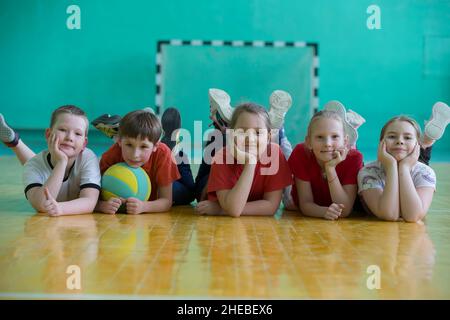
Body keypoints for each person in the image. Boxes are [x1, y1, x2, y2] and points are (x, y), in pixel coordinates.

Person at [0, 105, 101, 216]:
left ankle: (15, 142)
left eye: (78, 133)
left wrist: (61, 209)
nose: (70, 138)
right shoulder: (32, 165)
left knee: (37, 165)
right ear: (48, 134)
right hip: (38, 164)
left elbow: (89, 201)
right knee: (35, 164)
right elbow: (42, 205)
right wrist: (62, 162)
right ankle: (15, 142)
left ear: (84, 144)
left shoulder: (88, 157)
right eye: (62, 130)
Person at [357, 101, 449, 222]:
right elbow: (390, 214)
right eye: (392, 136)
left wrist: (404, 168)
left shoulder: (426, 172)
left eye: (407, 137)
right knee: (354, 160)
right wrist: (391, 166)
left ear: (417, 144)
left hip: (415, 164)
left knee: (419, 165)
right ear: (381, 143)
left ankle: (426, 142)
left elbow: (413, 216)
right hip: (379, 173)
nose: (399, 141)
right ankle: (349, 141)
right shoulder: (368, 173)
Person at [195, 102, 292, 217]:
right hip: (209, 184)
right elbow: (234, 209)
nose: (250, 138)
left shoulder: (275, 153)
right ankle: (219, 127)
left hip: (225, 201)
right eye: (242, 131)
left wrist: (220, 210)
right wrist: (250, 162)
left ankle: (280, 133)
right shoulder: (221, 156)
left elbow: (271, 207)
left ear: (268, 137)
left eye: (257, 132)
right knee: (200, 187)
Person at [96, 110, 180, 214]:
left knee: (184, 194)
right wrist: (102, 205)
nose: (135, 155)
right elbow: (89, 196)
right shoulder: (111, 156)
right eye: (129, 145)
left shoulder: (162, 154)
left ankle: (170, 142)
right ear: (119, 142)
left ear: (155, 146)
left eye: (143, 146)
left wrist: (144, 207)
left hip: (171, 167)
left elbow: (166, 201)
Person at [288, 108, 363, 220]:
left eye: (334, 136)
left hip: (347, 201)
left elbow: (344, 210)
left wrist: (330, 168)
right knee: (289, 205)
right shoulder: (301, 153)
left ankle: (351, 125)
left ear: (346, 141)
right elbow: (306, 204)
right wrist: (324, 212)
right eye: (320, 137)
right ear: (308, 142)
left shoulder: (354, 158)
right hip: (299, 202)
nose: (327, 144)